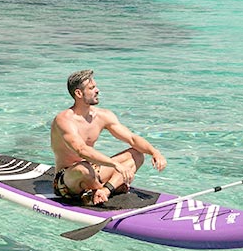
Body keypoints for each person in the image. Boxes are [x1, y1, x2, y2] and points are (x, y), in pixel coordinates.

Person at [50, 69, 166, 205]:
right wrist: (114, 164)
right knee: (83, 168)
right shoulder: (64, 120)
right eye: (92, 88)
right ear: (78, 93)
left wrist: (154, 152)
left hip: (94, 170)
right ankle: (106, 187)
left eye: (96, 86)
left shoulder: (103, 116)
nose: (97, 90)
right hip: (69, 179)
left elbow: (132, 139)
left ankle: (104, 191)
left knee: (137, 154)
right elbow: (81, 150)